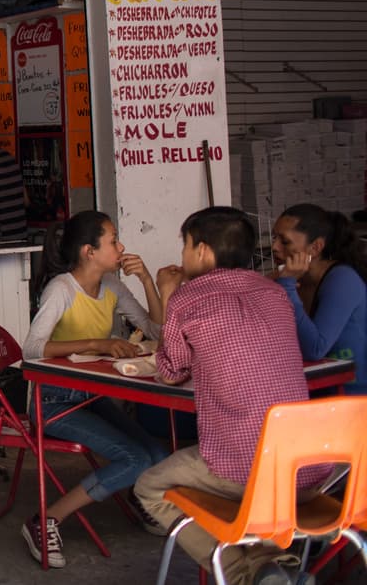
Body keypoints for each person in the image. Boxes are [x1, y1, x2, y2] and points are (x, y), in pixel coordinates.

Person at [135, 207, 325, 585]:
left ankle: (242, 577)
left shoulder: (188, 298)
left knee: (150, 486)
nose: (184, 254)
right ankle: (275, 568)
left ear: (203, 251)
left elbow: (171, 371)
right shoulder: (274, 292)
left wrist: (169, 293)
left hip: (245, 469)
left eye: (185, 245)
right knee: (252, 493)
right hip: (309, 471)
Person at [20, 210, 169, 567]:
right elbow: (32, 349)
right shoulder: (61, 289)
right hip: (52, 402)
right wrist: (95, 345)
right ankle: (45, 520)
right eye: (113, 240)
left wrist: (148, 280)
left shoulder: (113, 286)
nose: (121, 247)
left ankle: (136, 496)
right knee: (134, 458)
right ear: (89, 251)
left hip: (90, 396)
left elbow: (156, 331)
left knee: (158, 455)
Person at [269, 203, 366, 394]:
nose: (274, 247)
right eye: (274, 238)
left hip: (355, 395)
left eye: (285, 242)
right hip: (316, 388)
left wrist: (287, 287)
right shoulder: (290, 279)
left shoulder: (342, 280)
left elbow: (315, 349)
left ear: (315, 247)